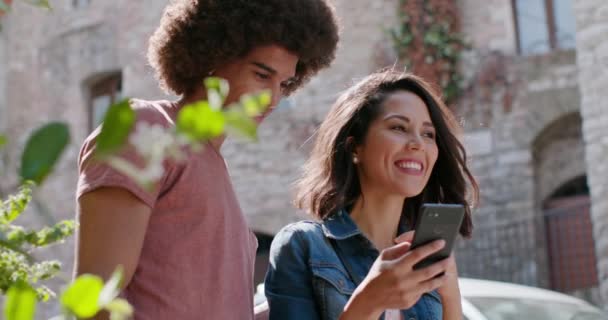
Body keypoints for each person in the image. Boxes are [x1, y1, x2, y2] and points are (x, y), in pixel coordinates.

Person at [74, 1, 339, 319]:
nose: (272, 99)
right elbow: (97, 298)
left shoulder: (215, 169)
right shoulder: (144, 128)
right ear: (213, 56)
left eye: (283, 84)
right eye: (261, 74)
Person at [264, 69, 479, 320]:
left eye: (428, 134)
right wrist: (369, 300)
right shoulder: (304, 246)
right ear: (355, 147)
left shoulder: (423, 257)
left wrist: (450, 295)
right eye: (399, 127)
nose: (418, 144)